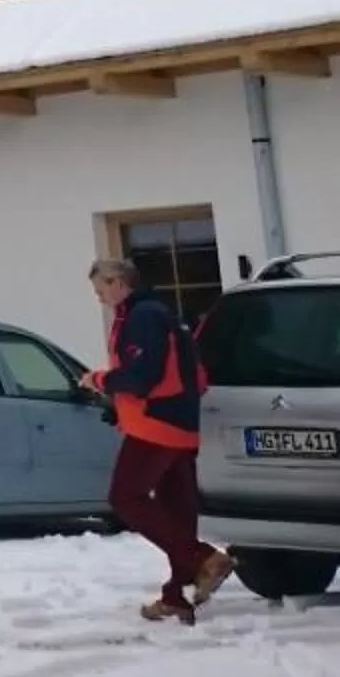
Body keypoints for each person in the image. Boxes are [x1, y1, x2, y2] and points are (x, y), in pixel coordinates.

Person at [84, 257, 230, 623]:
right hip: (182, 422)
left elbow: (142, 375)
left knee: (125, 496)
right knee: (178, 509)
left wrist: (100, 381)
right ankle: (177, 595)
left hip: (156, 424)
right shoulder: (163, 313)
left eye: (100, 289)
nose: (99, 297)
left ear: (118, 282)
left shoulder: (142, 317)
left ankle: (203, 558)